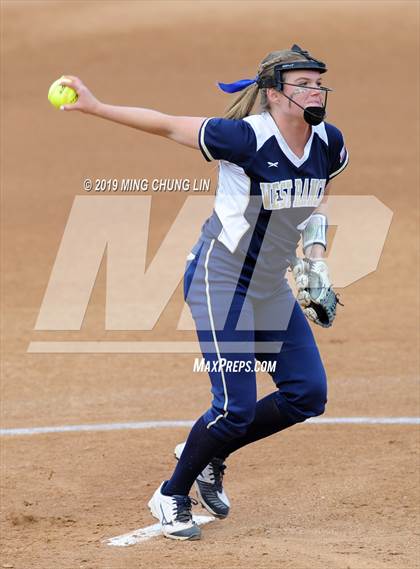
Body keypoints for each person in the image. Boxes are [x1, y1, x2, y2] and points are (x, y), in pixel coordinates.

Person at [59, 44, 349, 541]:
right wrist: (96, 105)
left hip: (268, 287)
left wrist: (316, 258)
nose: (315, 90)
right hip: (221, 281)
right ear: (276, 93)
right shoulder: (243, 137)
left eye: (319, 82)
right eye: (303, 83)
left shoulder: (329, 142)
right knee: (234, 409)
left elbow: (314, 199)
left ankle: (214, 451)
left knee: (308, 394)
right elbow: (167, 124)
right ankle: (171, 494)